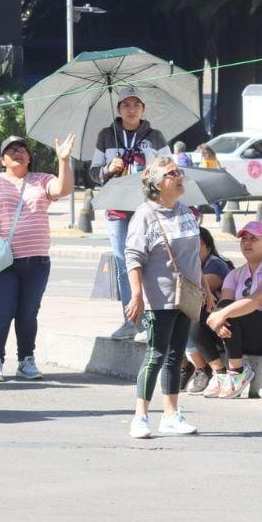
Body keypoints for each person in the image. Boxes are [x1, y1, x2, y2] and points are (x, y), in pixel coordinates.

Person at [0, 134, 76, 382]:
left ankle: (26, 360)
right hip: (1, 261)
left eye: (22, 150)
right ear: (2, 159)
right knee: (1, 310)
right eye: (10, 150)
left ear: (29, 157)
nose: (17, 153)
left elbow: (63, 189)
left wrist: (63, 160)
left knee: (28, 313)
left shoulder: (42, 179)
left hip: (36, 260)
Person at [123, 157, 201, 438]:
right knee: (155, 355)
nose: (179, 176)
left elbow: (193, 255)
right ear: (156, 185)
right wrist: (136, 295)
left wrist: (204, 289)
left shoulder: (186, 211)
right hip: (160, 299)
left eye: (179, 172)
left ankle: (171, 414)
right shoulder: (144, 216)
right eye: (171, 174)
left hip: (187, 297)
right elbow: (133, 257)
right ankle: (140, 417)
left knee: (176, 355)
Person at [89, 87, 168, 340]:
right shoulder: (106, 136)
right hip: (116, 210)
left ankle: (154, 319)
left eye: (136, 105)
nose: (131, 109)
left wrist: (155, 172)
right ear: (119, 109)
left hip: (148, 208)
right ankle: (132, 321)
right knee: (125, 264)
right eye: (126, 105)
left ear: (143, 110)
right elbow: (93, 173)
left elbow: (170, 168)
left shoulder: (155, 137)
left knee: (153, 262)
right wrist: (108, 169)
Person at [190, 221, 262, 399]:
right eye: (243, 240)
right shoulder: (236, 274)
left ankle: (237, 372)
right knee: (197, 315)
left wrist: (221, 315)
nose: (247, 243)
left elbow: (256, 300)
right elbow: (224, 301)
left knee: (229, 310)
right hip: (251, 336)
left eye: (254, 239)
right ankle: (219, 373)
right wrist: (217, 321)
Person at [183, 227, 234, 393]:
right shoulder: (193, 265)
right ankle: (185, 367)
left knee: (187, 317)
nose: (191, 248)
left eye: (196, 244)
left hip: (222, 323)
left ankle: (202, 369)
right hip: (210, 322)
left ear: (208, 246)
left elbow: (197, 291)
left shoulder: (216, 265)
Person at [196, 143, 223, 222]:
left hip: (205, 182)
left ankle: (196, 216)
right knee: (215, 202)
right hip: (214, 181)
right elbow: (219, 167)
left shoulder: (205, 160)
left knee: (200, 201)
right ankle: (218, 218)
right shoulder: (214, 157)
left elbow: (204, 170)